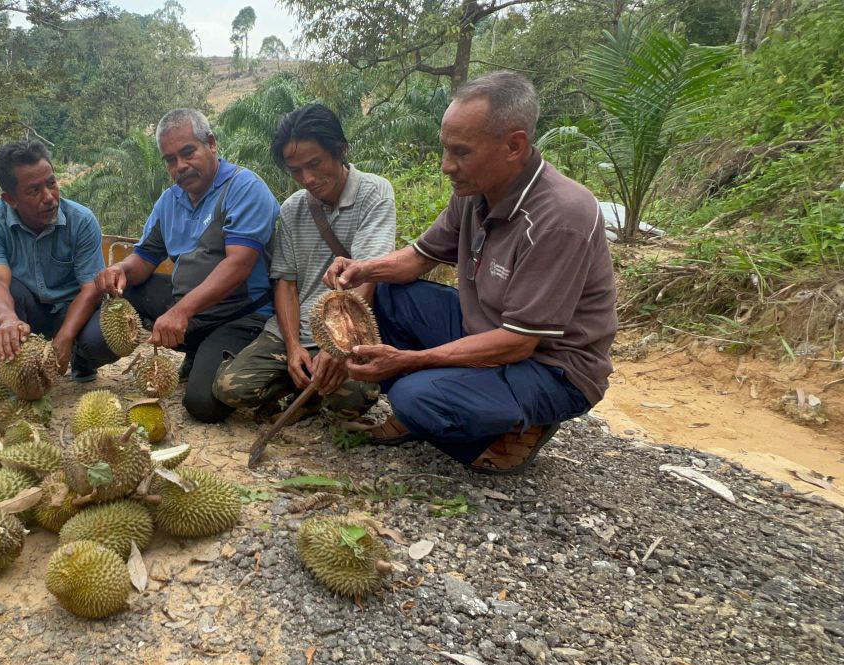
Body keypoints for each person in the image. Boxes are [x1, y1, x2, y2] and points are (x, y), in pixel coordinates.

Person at [326, 71, 617, 474]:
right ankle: (450, 403)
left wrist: (408, 360)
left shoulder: (560, 216)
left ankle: (517, 427)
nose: (447, 166)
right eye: (445, 150)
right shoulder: (474, 191)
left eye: (461, 152)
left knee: (415, 396)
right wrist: (363, 269)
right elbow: (417, 258)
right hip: (484, 330)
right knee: (384, 293)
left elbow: (518, 343)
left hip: (551, 366)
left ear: (514, 145)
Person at [77, 108, 280, 422]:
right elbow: (144, 259)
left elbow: (239, 265)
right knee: (121, 299)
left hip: (242, 314)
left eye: (188, 153)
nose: (180, 166)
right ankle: (85, 359)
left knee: (203, 404)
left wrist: (181, 311)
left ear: (210, 144)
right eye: (170, 160)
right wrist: (121, 271)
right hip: (189, 306)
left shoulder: (245, 188)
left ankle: (273, 372)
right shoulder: (169, 201)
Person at [214, 103, 394, 421]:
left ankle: (306, 389)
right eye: (296, 170)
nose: (307, 178)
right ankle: (301, 379)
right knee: (229, 387)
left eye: (315, 164)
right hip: (293, 332)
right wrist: (294, 346)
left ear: (340, 150)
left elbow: (366, 277)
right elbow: (286, 282)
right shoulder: (293, 208)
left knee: (354, 398)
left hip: (348, 333)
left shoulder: (374, 193)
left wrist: (337, 346)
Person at [0, 139, 104, 380]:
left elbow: (90, 289)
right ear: (10, 199)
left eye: (51, 183)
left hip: (69, 311)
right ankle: (15, 372)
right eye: (34, 190)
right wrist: (8, 319)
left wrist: (64, 339)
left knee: (101, 337)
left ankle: (81, 358)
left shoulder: (82, 220)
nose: (49, 197)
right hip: (25, 311)